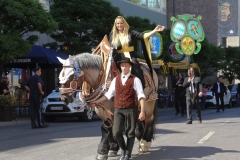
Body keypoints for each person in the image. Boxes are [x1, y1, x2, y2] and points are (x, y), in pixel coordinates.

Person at [90, 57, 145, 160]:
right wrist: (96, 101)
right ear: (120, 67)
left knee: (130, 132)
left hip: (131, 109)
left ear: (129, 67)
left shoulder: (135, 79)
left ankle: (127, 154)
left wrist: (142, 111)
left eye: (126, 66)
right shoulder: (116, 79)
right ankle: (123, 149)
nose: (124, 67)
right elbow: (108, 95)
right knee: (116, 132)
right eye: (123, 66)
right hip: (118, 110)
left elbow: (141, 96)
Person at [109, 16, 165, 88]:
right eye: (118, 23)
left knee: (136, 69)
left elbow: (143, 36)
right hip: (119, 58)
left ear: (124, 24)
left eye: (121, 23)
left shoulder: (130, 32)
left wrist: (154, 30)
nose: (119, 25)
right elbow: (110, 47)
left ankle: (140, 90)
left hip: (130, 56)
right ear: (115, 25)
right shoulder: (112, 35)